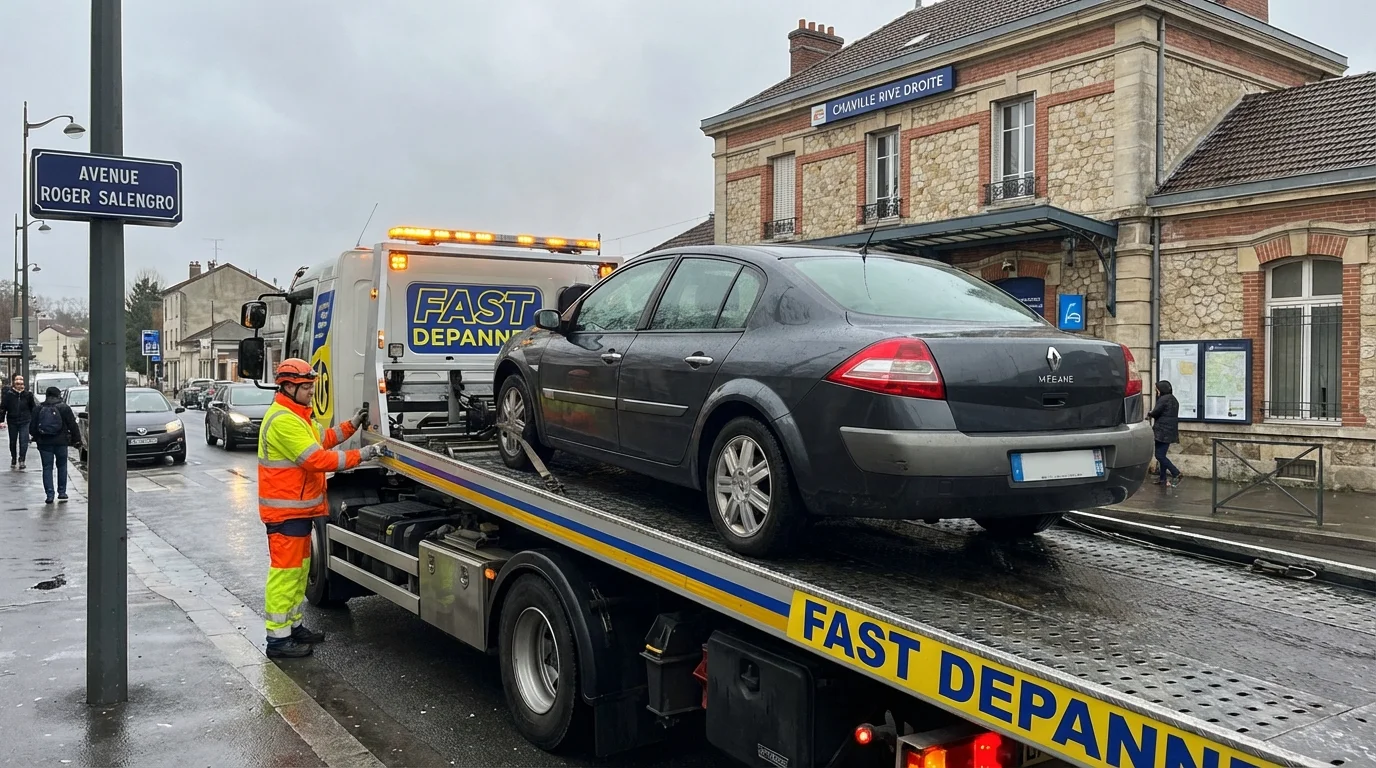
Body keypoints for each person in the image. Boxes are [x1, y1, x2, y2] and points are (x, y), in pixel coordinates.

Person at [257, 358, 383, 659]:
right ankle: (278, 641)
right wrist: (361, 455)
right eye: (306, 386)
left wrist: (351, 426)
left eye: (312, 385)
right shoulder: (284, 421)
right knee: (285, 576)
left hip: (299, 511)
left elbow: (323, 439)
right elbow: (316, 459)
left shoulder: (299, 416)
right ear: (287, 386)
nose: (312, 391)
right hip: (286, 513)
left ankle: (293, 627)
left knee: (298, 574)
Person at [30, 386, 82, 504]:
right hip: (61, 442)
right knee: (62, 466)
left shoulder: (38, 408)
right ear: (58, 395)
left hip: (44, 443)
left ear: (46, 395)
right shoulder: (64, 408)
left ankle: (49, 494)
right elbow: (73, 425)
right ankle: (62, 492)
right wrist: (76, 440)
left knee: (47, 468)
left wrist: (38, 437)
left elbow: (32, 428)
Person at [1149, 380, 1182, 487]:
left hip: (1161, 431)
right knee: (1162, 455)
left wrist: (1149, 413)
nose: (1156, 391)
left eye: (1157, 389)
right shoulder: (1174, 399)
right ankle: (1163, 479)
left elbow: (1155, 412)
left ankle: (1176, 473)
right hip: (1170, 431)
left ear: (1161, 389)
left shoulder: (1163, 399)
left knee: (1159, 455)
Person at [0, 374, 38, 469]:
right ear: (14, 384)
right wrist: (1, 420)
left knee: (23, 441)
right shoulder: (9, 395)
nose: (20, 385)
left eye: (21, 383)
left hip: (25, 420)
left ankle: (22, 459)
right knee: (13, 441)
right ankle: (13, 457)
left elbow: (33, 408)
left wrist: (34, 420)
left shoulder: (28, 395)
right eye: (17, 383)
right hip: (12, 421)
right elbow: (3, 408)